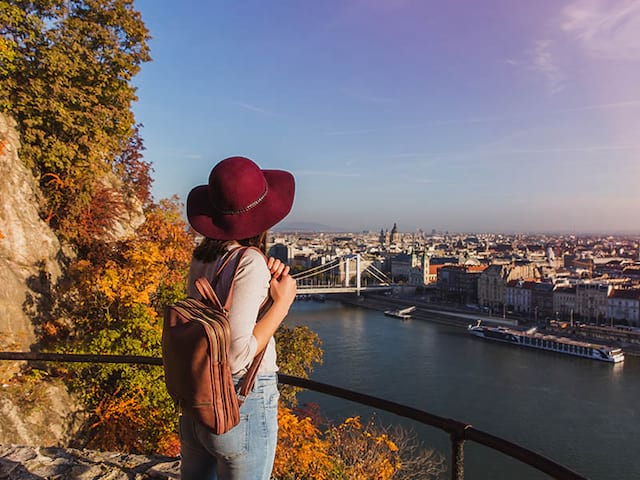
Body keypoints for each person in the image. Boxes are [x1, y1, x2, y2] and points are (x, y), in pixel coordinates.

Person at [180, 156, 297, 480]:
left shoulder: (203, 257)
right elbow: (236, 354)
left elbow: (216, 323)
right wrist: (281, 304)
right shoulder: (248, 261)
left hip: (196, 400)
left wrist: (262, 281)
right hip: (238, 401)